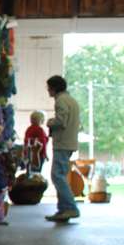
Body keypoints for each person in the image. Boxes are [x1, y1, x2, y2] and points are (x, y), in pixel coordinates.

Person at [45, 76, 81, 222]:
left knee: (57, 176)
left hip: (62, 142)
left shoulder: (60, 101)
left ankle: (71, 207)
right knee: (61, 175)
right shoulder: (72, 100)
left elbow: (61, 121)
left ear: (54, 88)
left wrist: (50, 122)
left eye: (48, 87)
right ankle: (63, 210)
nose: (47, 90)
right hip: (70, 142)